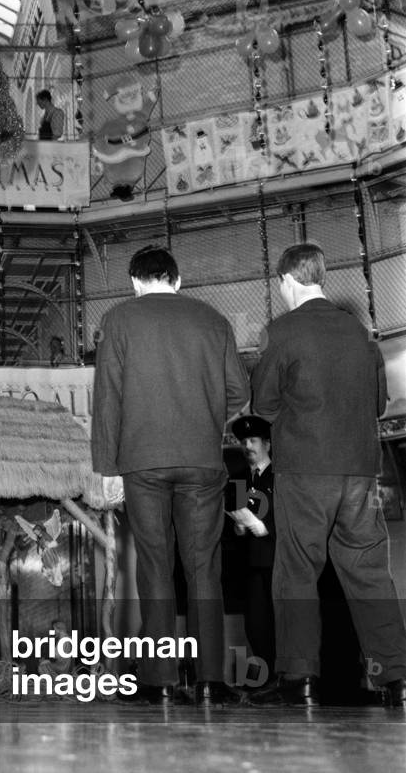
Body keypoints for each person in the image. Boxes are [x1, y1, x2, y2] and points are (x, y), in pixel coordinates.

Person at [90, 245, 249, 706]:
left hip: (141, 462)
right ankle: (209, 682)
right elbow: (239, 390)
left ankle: (159, 681)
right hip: (202, 461)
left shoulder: (118, 320)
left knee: (156, 568)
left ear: (135, 282)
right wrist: (202, 417)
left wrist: (107, 467)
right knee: (204, 569)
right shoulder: (213, 319)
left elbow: (108, 399)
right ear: (177, 281)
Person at [249, 242, 406, 707]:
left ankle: (301, 680)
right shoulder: (361, 332)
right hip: (360, 472)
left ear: (286, 281)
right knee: (371, 576)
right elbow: (378, 404)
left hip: (305, 472)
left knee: (296, 573)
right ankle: (397, 678)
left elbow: (263, 406)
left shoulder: (281, 332)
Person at [227, 415, 276, 684]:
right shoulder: (238, 478)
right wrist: (240, 526)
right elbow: (234, 522)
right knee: (256, 626)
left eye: (253, 440)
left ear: (266, 443)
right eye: (244, 441)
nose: (248, 446)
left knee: (281, 622)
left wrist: (264, 525)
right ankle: (265, 681)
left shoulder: (279, 474)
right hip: (251, 564)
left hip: (277, 560)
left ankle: (285, 679)